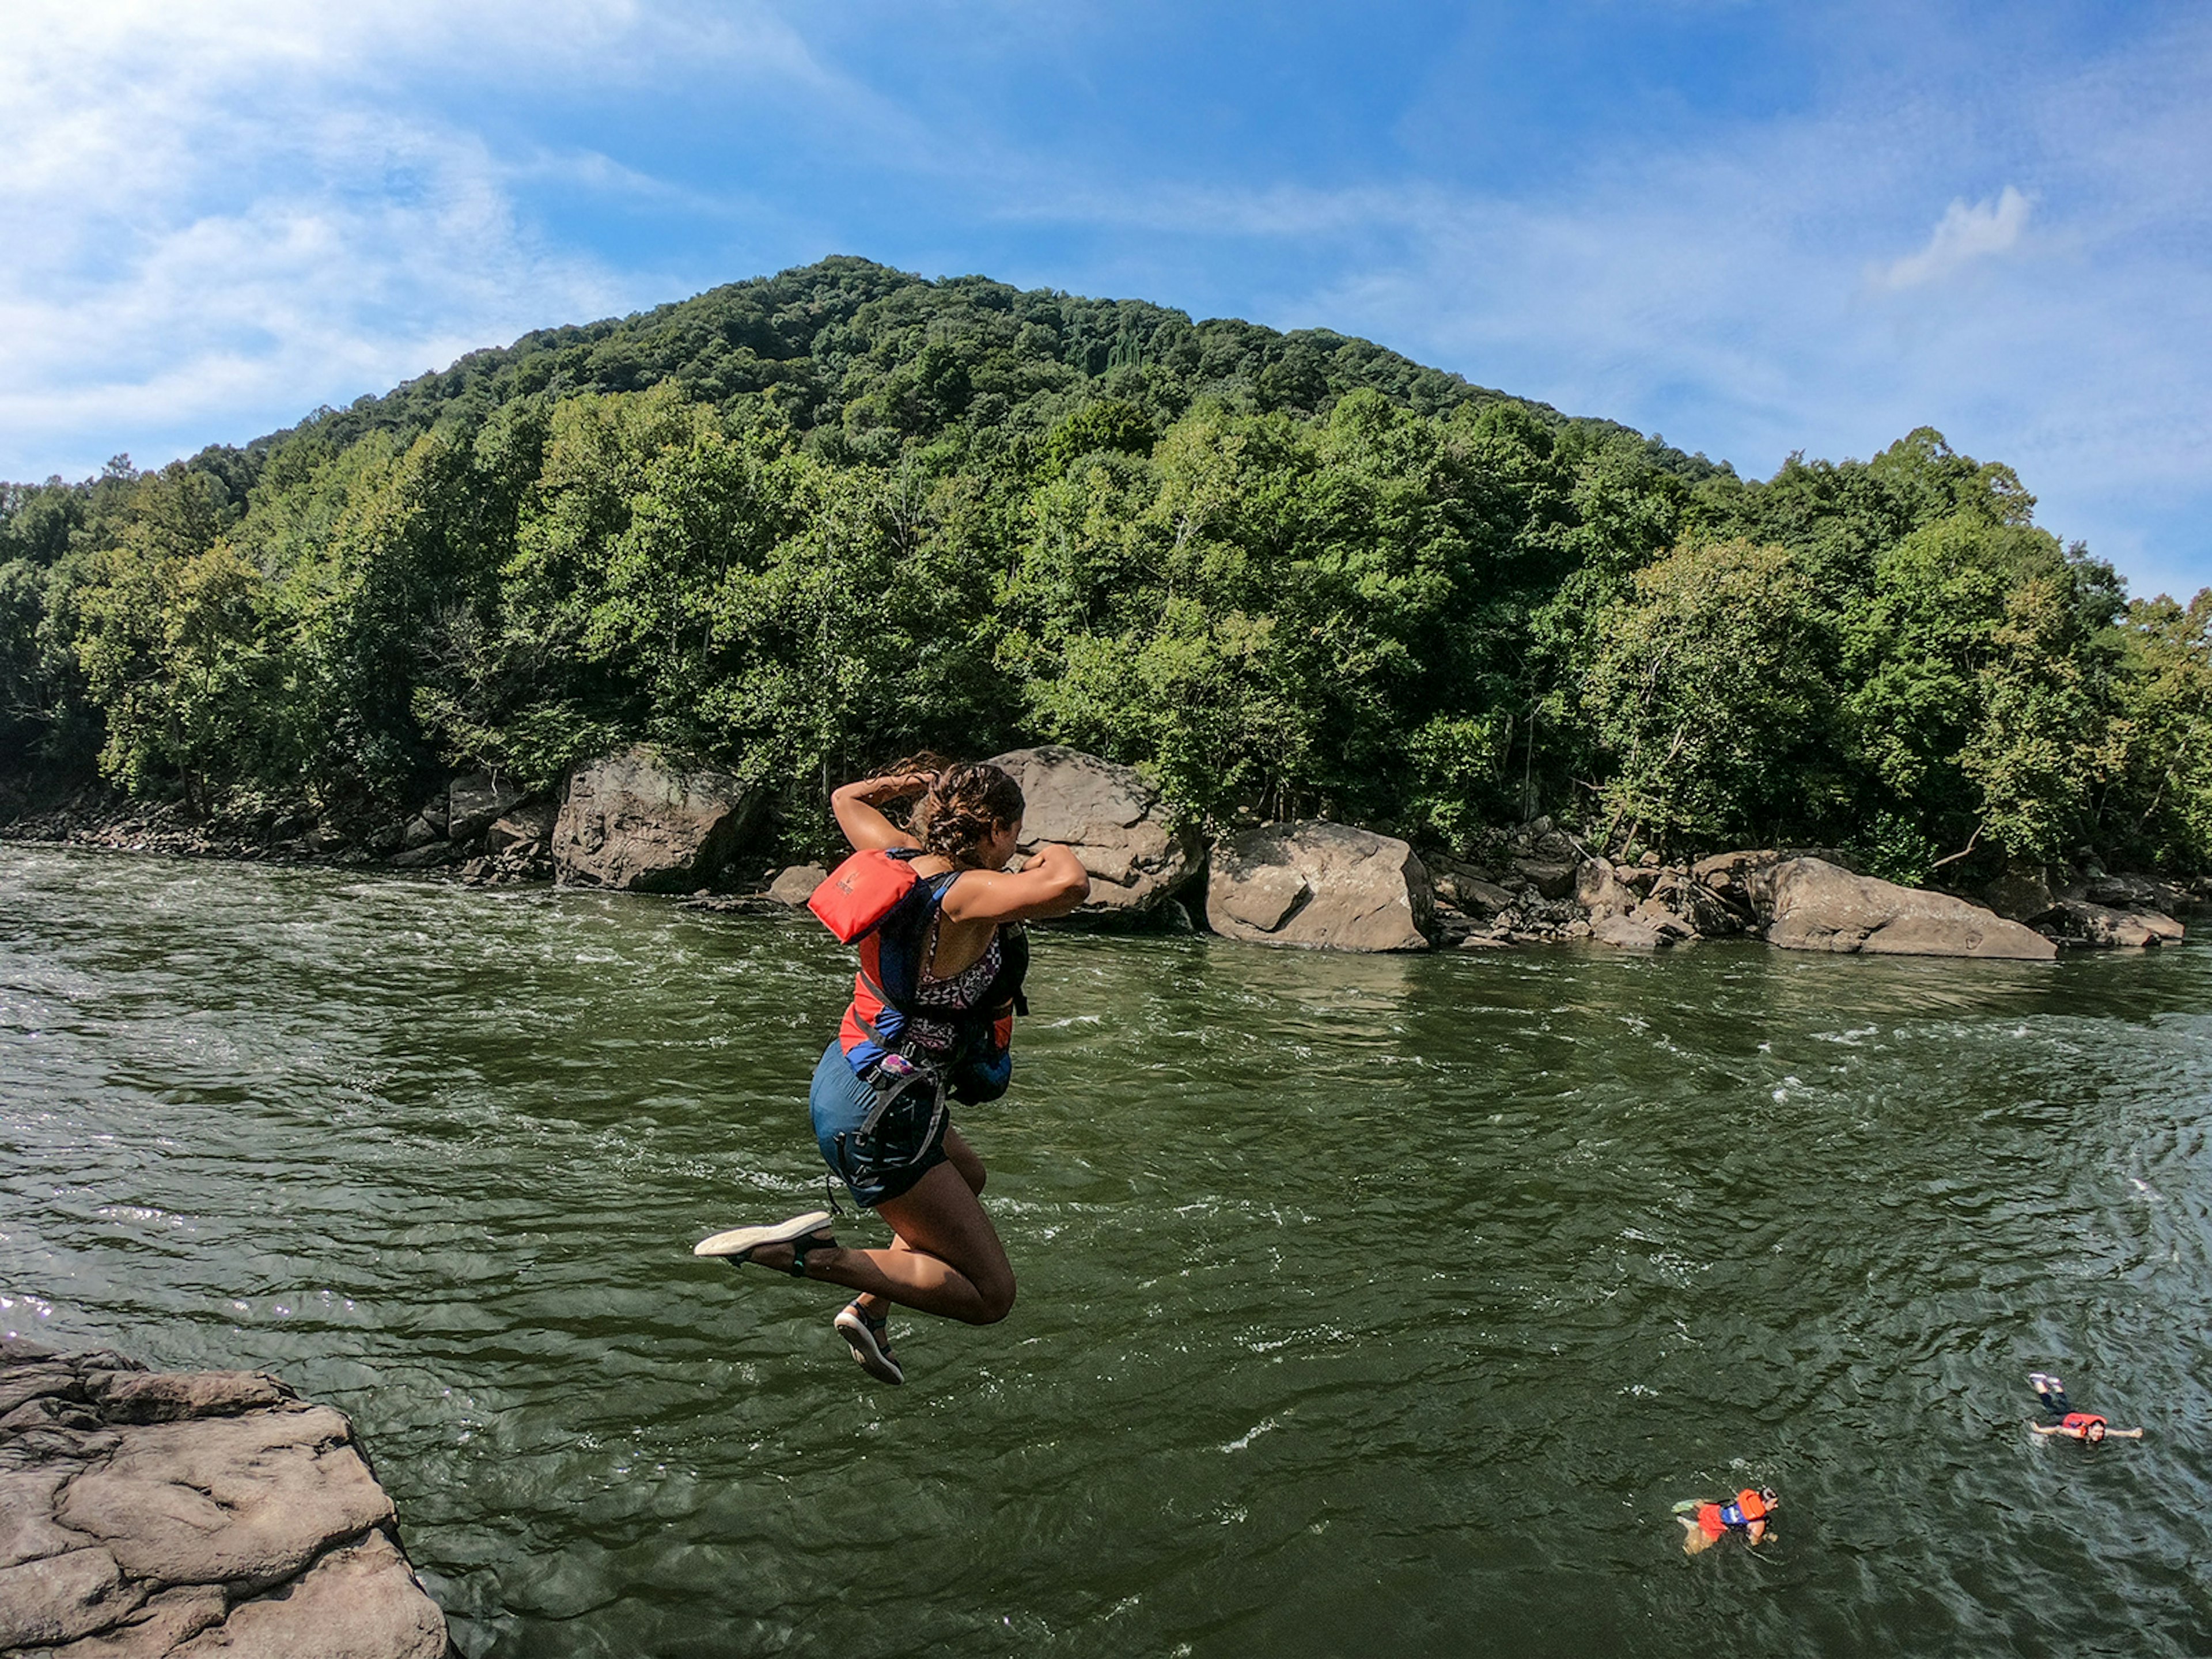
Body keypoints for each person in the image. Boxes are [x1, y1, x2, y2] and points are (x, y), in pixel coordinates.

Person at [695, 758, 1089, 1385]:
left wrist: (903, 786)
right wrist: (1055, 852)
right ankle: (812, 1257)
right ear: (995, 829)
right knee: (992, 1296)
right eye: (1016, 834)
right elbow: (1070, 887)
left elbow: (846, 797)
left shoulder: (901, 860)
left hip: (849, 1077)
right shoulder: (965, 894)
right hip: (884, 1111)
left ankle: (871, 1310)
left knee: (968, 1173)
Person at [2027, 1372, 2143, 1442]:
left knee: (2064, 1403)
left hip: (2073, 1415)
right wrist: (2040, 1430)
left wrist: (2132, 1433)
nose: (2098, 1435)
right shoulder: (2079, 1433)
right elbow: (2059, 1429)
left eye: (2100, 1432)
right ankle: (2038, 1381)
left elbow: (2116, 1433)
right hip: (2062, 1418)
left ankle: (2056, 1385)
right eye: (2097, 1432)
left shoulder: (2100, 1433)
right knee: (2049, 1404)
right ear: (2089, 1429)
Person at [1675, 1487, 1778, 1555]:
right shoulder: (1759, 1523)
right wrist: (1764, 1537)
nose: (1776, 1506)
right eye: (1774, 1503)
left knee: (1704, 1504)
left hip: (1713, 1510)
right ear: (1764, 1503)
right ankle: (1694, 1528)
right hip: (1716, 1526)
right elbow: (1754, 1541)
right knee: (1692, 1551)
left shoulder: (1748, 1496)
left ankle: (1691, 1507)